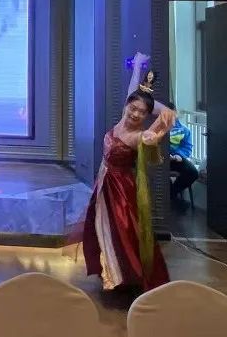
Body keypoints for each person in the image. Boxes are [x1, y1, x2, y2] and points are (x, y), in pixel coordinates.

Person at [80, 52, 175, 292]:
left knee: (125, 233)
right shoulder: (123, 118)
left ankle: (132, 276)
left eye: (142, 112)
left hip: (121, 190)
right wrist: (137, 67)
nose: (135, 114)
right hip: (104, 184)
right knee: (103, 229)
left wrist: (153, 121)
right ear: (126, 106)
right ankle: (114, 273)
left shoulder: (138, 136)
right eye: (133, 108)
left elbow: (169, 115)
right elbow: (132, 92)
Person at [165, 101, 198, 201]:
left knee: (193, 173)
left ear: (175, 112)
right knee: (160, 175)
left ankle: (171, 194)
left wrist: (178, 156)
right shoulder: (155, 128)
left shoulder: (184, 130)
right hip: (159, 159)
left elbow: (187, 148)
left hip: (176, 159)